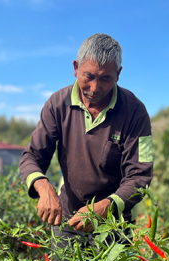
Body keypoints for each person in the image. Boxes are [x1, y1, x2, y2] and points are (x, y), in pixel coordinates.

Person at [19, 33, 153, 247]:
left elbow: (140, 176)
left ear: (118, 74)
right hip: (68, 221)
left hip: (113, 225)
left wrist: (105, 207)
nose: (95, 88)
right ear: (75, 68)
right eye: (88, 76)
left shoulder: (135, 112)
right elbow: (31, 156)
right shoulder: (56, 104)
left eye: (105, 78)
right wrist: (43, 186)